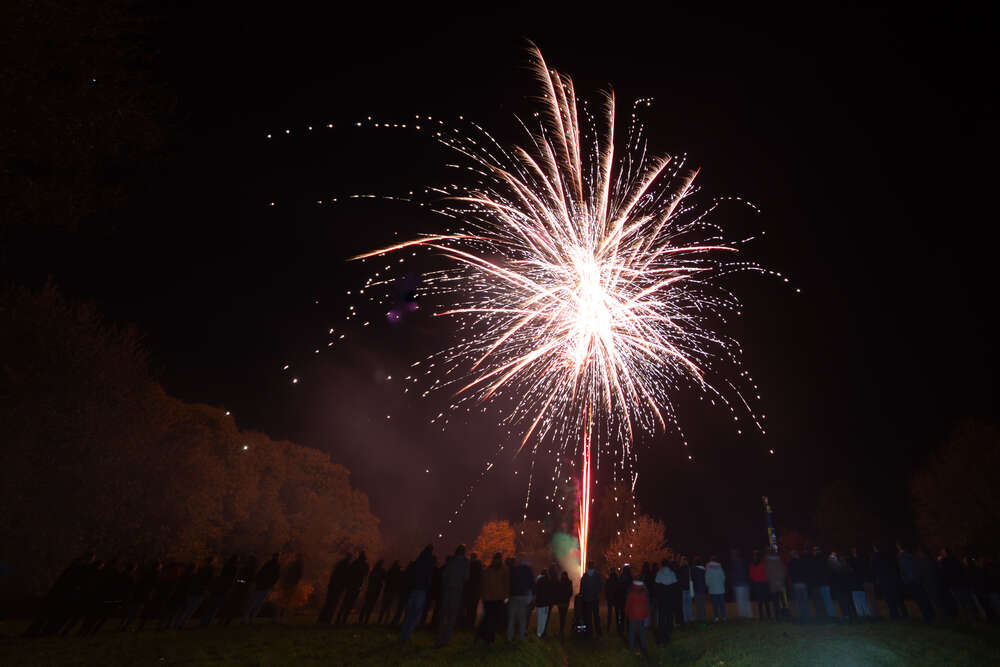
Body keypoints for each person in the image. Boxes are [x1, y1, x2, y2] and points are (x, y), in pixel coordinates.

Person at [436, 545, 470, 647]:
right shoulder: (465, 562)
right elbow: (466, 577)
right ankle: (446, 640)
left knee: (444, 615)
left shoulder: (451, 560)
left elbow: (444, 575)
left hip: (447, 589)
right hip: (457, 590)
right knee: (452, 615)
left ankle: (439, 639)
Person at [400, 545, 435, 641]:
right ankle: (407, 635)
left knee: (409, 613)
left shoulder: (417, 562)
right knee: (415, 614)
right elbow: (429, 577)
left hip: (413, 589)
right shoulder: (429, 563)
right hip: (422, 590)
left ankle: (403, 634)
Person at [475, 552, 508, 644]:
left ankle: (482, 634)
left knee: (488, 617)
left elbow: (483, 584)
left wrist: (483, 595)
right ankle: (488, 637)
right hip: (498, 598)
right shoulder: (504, 570)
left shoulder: (488, 570)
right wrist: (506, 596)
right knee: (493, 618)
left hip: (488, 598)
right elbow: (506, 584)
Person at [898, 543, 934, 623]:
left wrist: (907, 580)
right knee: (924, 598)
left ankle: (927, 617)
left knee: (920, 599)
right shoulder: (912, 556)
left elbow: (905, 571)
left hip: (912, 582)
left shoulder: (903, 558)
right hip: (918, 580)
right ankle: (930, 614)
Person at [176, 556, 214, 628]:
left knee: (187, 608)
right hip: (200, 591)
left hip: (194, 590)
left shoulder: (200, 569)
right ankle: (181, 623)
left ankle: (178, 622)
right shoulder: (210, 569)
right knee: (191, 609)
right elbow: (209, 581)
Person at [244, 553, 281, 624]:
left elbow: (260, 573)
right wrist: (271, 585)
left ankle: (246, 619)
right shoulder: (276, 566)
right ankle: (249, 619)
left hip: (261, 586)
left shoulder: (268, 564)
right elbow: (275, 577)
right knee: (257, 603)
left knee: (254, 602)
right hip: (264, 586)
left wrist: (257, 581)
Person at [201, 555, 237, 626]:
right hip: (223, 591)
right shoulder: (230, 576)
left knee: (211, 606)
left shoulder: (221, 574)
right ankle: (208, 621)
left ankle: (204, 621)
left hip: (218, 589)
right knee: (215, 607)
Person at [872, 544, 904, 619]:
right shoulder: (888, 555)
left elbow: (875, 569)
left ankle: (894, 614)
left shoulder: (875, 557)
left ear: (875, 549)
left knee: (889, 598)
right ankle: (903, 613)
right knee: (897, 597)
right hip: (892, 579)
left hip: (884, 580)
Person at [506, 555, 534, 642]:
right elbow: (531, 584)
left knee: (511, 618)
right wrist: (532, 595)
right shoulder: (527, 571)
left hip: (513, 596)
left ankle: (509, 637)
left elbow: (508, 582)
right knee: (522, 618)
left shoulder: (513, 570)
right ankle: (522, 638)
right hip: (522, 596)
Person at [336, 552, 368, 625]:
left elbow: (350, 574)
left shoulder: (355, 564)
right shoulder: (360, 565)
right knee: (349, 603)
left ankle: (340, 618)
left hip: (353, 586)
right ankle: (342, 618)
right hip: (355, 586)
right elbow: (364, 574)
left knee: (346, 602)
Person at [318, 555, 350, 624]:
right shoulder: (345, 568)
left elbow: (333, 577)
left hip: (333, 587)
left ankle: (322, 619)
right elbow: (345, 580)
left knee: (328, 603)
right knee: (333, 604)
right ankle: (327, 619)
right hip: (338, 588)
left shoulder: (338, 567)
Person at [624, 573, 650, 656]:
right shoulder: (644, 592)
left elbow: (628, 604)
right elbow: (646, 604)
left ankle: (631, 647)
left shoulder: (631, 592)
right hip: (641, 614)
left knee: (631, 631)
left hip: (632, 614)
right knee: (642, 631)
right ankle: (644, 646)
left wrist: (626, 612)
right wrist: (646, 613)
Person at [653, 558, 677, 644]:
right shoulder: (672, 574)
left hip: (662, 599)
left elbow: (656, 587)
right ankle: (668, 635)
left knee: (662, 617)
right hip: (670, 599)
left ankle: (661, 636)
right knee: (669, 616)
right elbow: (675, 587)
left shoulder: (659, 574)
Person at [275, 553, 304, 622]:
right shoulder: (298, 566)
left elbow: (285, 574)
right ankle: (282, 618)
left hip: (288, 585)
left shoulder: (291, 565)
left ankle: (277, 618)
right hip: (291, 585)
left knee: (282, 601)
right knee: (286, 602)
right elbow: (298, 576)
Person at [848, 547, 873, 618]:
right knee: (860, 601)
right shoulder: (857, 560)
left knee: (861, 601)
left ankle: (865, 615)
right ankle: (864, 615)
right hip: (857, 584)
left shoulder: (854, 561)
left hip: (858, 583)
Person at [359, 559, 386, 625]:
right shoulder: (381, 572)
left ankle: (361, 619)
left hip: (370, 590)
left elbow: (370, 580)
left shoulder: (373, 571)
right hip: (375, 592)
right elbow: (384, 579)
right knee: (370, 606)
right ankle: (365, 620)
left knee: (366, 605)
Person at [580, 562, 602, 637]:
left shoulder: (585, 576)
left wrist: (582, 594)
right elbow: (600, 586)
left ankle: (589, 632)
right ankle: (598, 631)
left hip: (587, 599)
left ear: (588, 567)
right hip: (595, 598)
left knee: (588, 616)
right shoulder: (597, 575)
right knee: (596, 615)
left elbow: (582, 587)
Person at [765, 550, 788, 617]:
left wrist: (773, 581)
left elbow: (767, 575)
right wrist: (781, 581)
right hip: (780, 584)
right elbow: (783, 571)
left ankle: (778, 615)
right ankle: (785, 614)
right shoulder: (779, 561)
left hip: (773, 585)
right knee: (783, 601)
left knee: (776, 601)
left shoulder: (768, 562)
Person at [788, 550, 809, 620]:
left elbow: (790, 574)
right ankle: (806, 615)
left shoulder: (791, 563)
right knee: (804, 600)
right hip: (802, 583)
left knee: (798, 601)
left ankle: (801, 616)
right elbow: (806, 572)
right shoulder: (802, 561)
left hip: (796, 583)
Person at [462, 552, 482, 629]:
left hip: (468, 590)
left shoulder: (468, 566)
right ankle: (471, 623)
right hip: (476, 590)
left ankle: (465, 622)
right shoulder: (479, 568)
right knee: (473, 608)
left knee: (467, 607)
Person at [750, 550, 771, 620]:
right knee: (766, 600)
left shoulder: (753, 565)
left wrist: (756, 579)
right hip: (764, 583)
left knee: (760, 601)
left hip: (758, 584)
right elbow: (767, 573)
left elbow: (751, 575)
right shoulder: (763, 564)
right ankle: (769, 615)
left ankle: (762, 616)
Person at [731, 548, 752, 618]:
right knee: (746, 601)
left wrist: (734, 584)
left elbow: (735, 574)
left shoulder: (735, 562)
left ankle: (743, 615)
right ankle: (749, 615)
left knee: (741, 601)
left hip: (739, 584)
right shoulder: (743, 561)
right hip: (745, 583)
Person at [534, 568, 554, 637]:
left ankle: (539, 632)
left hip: (540, 603)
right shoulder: (549, 581)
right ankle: (543, 631)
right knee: (545, 618)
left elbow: (536, 591)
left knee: (540, 617)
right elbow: (551, 593)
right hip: (546, 603)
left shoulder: (539, 581)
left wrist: (536, 601)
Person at [705, 555, 726, 621]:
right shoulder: (719, 566)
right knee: (721, 604)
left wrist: (708, 585)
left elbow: (707, 578)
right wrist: (722, 584)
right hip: (720, 588)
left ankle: (716, 617)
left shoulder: (708, 566)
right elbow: (723, 577)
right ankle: (723, 617)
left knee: (715, 605)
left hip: (712, 589)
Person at [555, 570, 573, 639]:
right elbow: (570, 592)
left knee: (561, 615)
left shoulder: (560, 582)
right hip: (565, 601)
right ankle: (562, 629)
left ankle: (561, 629)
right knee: (563, 615)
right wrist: (567, 596)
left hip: (561, 601)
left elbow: (556, 591)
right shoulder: (569, 582)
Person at [677, 556, 693, 623]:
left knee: (683, 605)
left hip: (682, 588)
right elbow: (690, 578)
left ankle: (685, 620)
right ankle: (691, 619)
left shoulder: (680, 569)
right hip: (688, 588)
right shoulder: (689, 569)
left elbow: (678, 579)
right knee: (689, 605)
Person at [604, 568, 619, 633]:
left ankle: (608, 627)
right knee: (617, 613)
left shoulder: (608, 580)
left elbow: (606, 589)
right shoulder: (617, 579)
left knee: (609, 614)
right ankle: (618, 627)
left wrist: (607, 597)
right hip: (616, 598)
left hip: (610, 598)